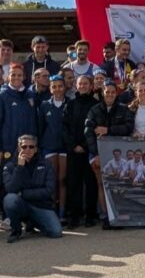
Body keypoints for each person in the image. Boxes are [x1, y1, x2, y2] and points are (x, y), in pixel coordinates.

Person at [0, 64, 37, 230]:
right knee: (7, 183)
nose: (16, 78)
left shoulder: (31, 96)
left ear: (24, 77)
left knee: (28, 181)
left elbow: (35, 122)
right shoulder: (1, 96)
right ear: (8, 77)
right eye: (13, 75)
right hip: (8, 149)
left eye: (19, 75)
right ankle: (7, 216)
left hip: (29, 149)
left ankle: (27, 217)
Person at [84, 82, 135, 228]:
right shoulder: (94, 110)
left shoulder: (124, 110)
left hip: (120, 154)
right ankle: (106, 216)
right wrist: (96, 154)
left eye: (113, 92)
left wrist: (108, 130)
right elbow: (88, 133)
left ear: (116, 93)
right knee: (102, 184)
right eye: (107, 92)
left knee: (119, 185)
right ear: (102, 93)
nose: (110, 94)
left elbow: (128, 127)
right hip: (98, 154)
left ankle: (119, 215)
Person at [2, 135, 62, 243]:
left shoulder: (46, 164)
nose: (28, 150)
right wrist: (20, 167)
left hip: (41, 205)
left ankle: (32, 222)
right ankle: (16, 230)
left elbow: (49, 190)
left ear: (36, 149)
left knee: (56, 232)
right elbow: (11, 189)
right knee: (10, 199)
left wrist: (23, 194)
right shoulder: (10, 166)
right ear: (19, 148)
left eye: (31, 147)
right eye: (24, 147)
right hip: (22, 204)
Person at [63, 75, 100, 228]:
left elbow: (96, 128)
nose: (83, 86)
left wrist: (85, 146)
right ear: (76, 86)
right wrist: (73, 146)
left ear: (91, 86)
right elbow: (64, 127)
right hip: (73, 151)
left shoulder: (96, 105)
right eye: (80, 84)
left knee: (91, 184)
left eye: (86, 84)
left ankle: (90, 215)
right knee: (73, 184)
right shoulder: (70, 104)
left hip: (90, 150)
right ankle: (74, 216)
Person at [37, 75, 70, 217]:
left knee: (62, 180)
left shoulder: (70, 103)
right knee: (52, 180)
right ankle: (52, 210)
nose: (57, 89)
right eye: (54, 86)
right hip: (49, 146)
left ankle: (62, 211)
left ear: (65, 87)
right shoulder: (45, 105)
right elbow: (40, 127)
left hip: (64, 147)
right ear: (50, 89)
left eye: (60, 86)